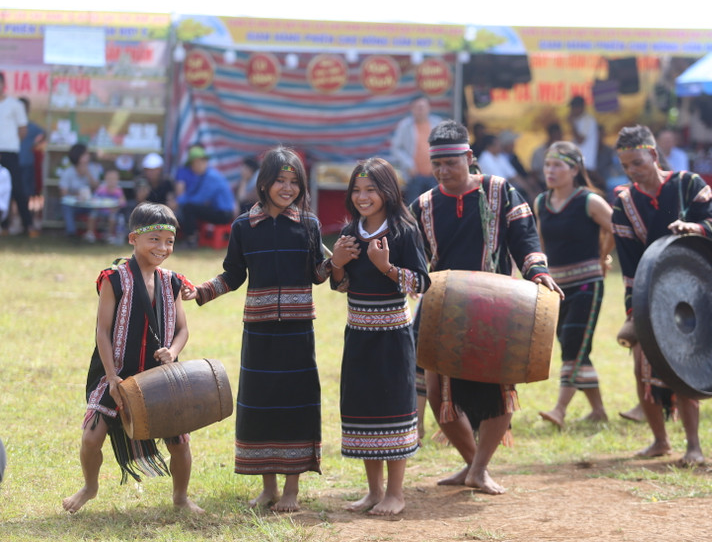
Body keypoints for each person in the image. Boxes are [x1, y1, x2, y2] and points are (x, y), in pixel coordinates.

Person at [410, 120, 562, 494]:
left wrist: (538, 272)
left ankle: (479, 468)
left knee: (499, 391)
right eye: (437, 165)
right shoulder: (424, 206)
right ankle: (472, 464)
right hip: (443, 310)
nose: (444, 172)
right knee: (439, 395)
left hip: (496, 309)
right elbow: (412, 259)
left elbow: (525, 239)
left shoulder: (500, 192)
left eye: (451, 163)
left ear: (469, 158)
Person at [183, 147, 331, 512]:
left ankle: (292, 490)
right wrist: (201, 291)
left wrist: (336, 263)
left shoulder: (309, 225)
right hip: (260, 333)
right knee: (263, 403)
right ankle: (269, 488)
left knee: (296, 403)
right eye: (280, 180)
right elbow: (233, 274)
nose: (287, 187)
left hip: (299, 333)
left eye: (294, 182)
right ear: (263, 183)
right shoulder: (243, 228)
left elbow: (317, 273)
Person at [62, 202, 202, 514]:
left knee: (179, 443)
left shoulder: (174, 281)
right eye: (154, 239)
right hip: (117, 374)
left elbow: (182, 329)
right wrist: (111, 377)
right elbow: (103, 331)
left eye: (169, 241)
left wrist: (174, 351)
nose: (162, 247)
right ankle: (90, 486)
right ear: (133, 239)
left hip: (160, 377)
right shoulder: (113, 278)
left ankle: (180, 497)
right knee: (91, 438)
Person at [611, 125, 712, 465]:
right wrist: (634, 311)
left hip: (692, 291)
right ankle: (660, 440)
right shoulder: (624, 202)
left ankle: (694, 446)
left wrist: (694, 228)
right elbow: (629, 265)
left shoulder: (689, 185)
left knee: (684, 367)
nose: (633, 171)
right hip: (648, 295)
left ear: (655, 156)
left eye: (638, 163)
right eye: (627, 166)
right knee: (641, 366)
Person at [329, 157, 430, 516]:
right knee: (364, 407)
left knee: (393, 407)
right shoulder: (349, 232)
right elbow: (341, 285)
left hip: (393, 336)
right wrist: (338, 263)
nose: (362, 196)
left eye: (370, 189)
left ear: (387, 191)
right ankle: (373, 492)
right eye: (356, 190)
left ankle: (396, 493)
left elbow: (421, 282)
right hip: (358, 333)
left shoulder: (405, 231)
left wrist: (386, 269)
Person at [535, 141, 615, 429]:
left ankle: (559, 409)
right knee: (576, 348)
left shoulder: (589, 201)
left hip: (587, 285)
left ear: (574, 169)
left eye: (557, 165)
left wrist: (603, 255)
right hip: (556, 287)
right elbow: (541, 243)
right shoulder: (541, 202)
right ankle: (598, 410)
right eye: (547, 165)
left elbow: (616, 228)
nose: (551, 171)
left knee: (572, 346)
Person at [176, 145, 236, 247]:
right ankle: (191, 237)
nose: (191, 168)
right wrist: (179, 200)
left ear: (199, 162)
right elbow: (192, 193)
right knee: (188, 207)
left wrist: (178, 201)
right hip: (217, 210)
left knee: (189, 207)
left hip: (224, 214)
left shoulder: (211, 177)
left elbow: (199, 199)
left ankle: (191, 240)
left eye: (192, 164)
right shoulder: (203, 175)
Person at [0, 73, 36, 236]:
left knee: (17, 189)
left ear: (3, 84)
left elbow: (23, 131)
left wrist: (9, 143)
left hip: (9, 153)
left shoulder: (15, 105)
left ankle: (28, 226)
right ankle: (4, 226)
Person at [390, 95, 442, 201]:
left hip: (434, 175)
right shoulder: (405, 126)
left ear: (428, 108)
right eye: (417, 108)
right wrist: (408, 164)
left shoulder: (437, 123)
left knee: (435, 206)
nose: (420, 110)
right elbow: (396, 148)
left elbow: (444, 146)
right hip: (414, 176)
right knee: (413, 208)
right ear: (412, 109)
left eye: (423, 107)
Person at [59, 143, 102, 239]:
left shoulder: (93, 169)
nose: (88, 156)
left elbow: (98, 188)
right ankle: (71, 233)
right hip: (74, 204)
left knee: (95, 209)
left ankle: (90, 234)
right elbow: (63, 194)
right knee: (66, 207)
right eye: (85, 154)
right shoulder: (68, 172)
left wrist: (87, 174)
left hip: (89, 204)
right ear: (78, 156)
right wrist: (76, 195)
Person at [18, 97, 45, 221]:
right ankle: (14, 219)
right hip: (13, 163)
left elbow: (44, 133)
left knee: (29, 192)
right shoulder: (9, 125)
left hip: (27, 164)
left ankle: (29, 219)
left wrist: (36, 145)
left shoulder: (32, 127)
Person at [85, 169, 126, 244]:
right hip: (100, 210)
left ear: (117, 180)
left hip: (111, 212)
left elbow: (123, 202)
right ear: (105, 179)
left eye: (114, 179)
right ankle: (90, 233)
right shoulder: (101, 189)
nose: (111, 181)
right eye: (109, 179)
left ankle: (110, 235)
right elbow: (94, 198)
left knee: (113, 217)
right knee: (92, 214)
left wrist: (117, 205)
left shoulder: (118, 190)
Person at [566, 95, 598, 174]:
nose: (572, 110)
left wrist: (572, 123)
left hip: (586, 164)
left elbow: (580, 140)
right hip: (578, 163)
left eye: (573, 108)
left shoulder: (588, 120)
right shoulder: (578, 120)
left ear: (581, 107)